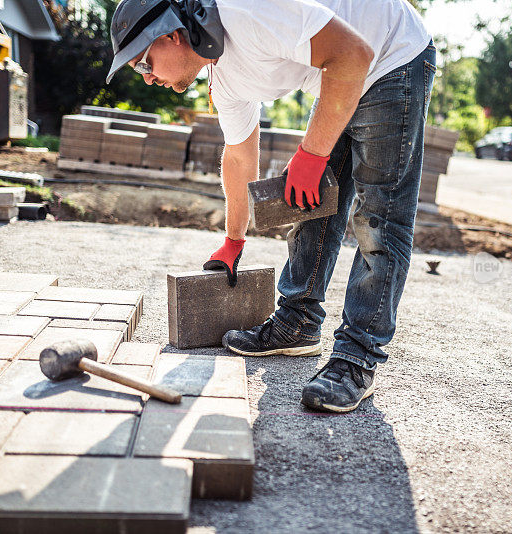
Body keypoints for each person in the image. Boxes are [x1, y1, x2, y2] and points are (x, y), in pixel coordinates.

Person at [107, 0, 435, 413]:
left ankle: (357, 356)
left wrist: (312, 154)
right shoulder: (222, 75)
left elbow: (353, 54)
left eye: (144, 63)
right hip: (344, 69)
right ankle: (298, 322)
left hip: (390, 57)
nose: (148, 77)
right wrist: (233, 240)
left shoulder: (244, 11)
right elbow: (239, 158)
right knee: (311, 203)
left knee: (378, 219)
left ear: (171, 35)